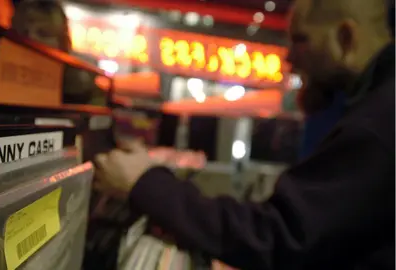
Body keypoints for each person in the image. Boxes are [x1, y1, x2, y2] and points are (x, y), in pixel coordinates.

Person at [93, 0, 395, 268]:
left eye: (301, 39)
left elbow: (278, 237)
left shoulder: (379, 122)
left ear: (345, 38)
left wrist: (144, 183)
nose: (289, 58)